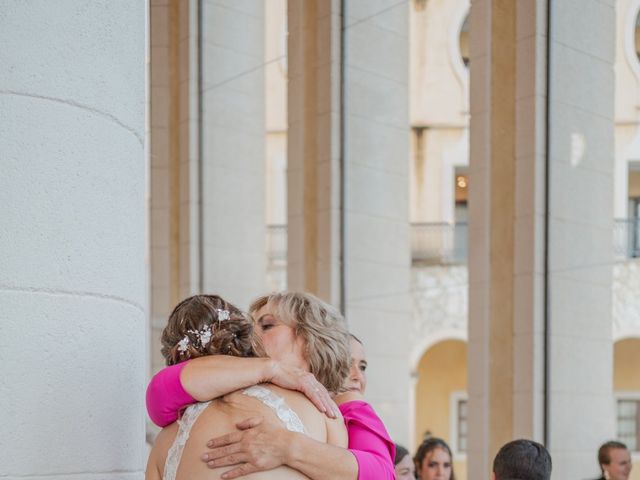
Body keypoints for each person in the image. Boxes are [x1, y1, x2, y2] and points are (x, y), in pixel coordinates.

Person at [146, 291, 396, 480]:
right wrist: (270, 368)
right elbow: (160, 393)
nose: (248, 334)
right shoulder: (233, 384)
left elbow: (382, 473)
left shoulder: (344, 403)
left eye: (266, 325)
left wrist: (288, 446)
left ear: (310, 338)